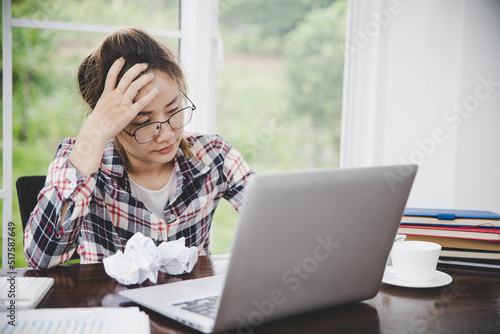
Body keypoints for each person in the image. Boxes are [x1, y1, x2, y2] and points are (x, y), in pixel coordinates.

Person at [24, 28, 254, 270]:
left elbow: (279, 221)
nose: (166, 135)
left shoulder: (212, 154)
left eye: (174, 110)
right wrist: (95, 132)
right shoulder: (83, 158)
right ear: (112, 122)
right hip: (113, 305)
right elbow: (41, 258)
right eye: (143, 122)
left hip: (187, 302)